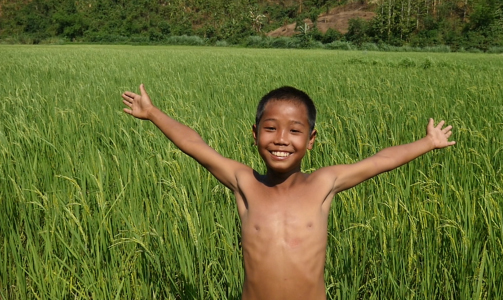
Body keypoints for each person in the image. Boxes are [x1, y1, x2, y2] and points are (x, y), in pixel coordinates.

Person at [121, 84, 455, 300]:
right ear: (255, 134)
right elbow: (194, 145)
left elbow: (379, 161)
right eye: (271, 128)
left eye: (295, 131)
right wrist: (152, 113)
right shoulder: (245, 182)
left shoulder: (323, 183)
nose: (281, 139)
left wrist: (428, 142)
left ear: (311, 140)